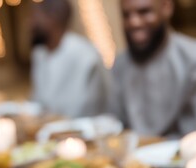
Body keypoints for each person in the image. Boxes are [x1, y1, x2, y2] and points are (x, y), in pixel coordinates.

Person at [110, 0, 196, 137]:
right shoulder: (120, 64)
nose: (134, 22)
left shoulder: (191, 59)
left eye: (144, 12)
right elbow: (114, 125)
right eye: (126, 15)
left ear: (166, 8)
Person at [30, 0, 111, 118]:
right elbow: (37, 103)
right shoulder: (39, 53)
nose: (30, 23)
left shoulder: (85, 55)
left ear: (52, 18)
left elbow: (94, 109)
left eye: (35, 16)